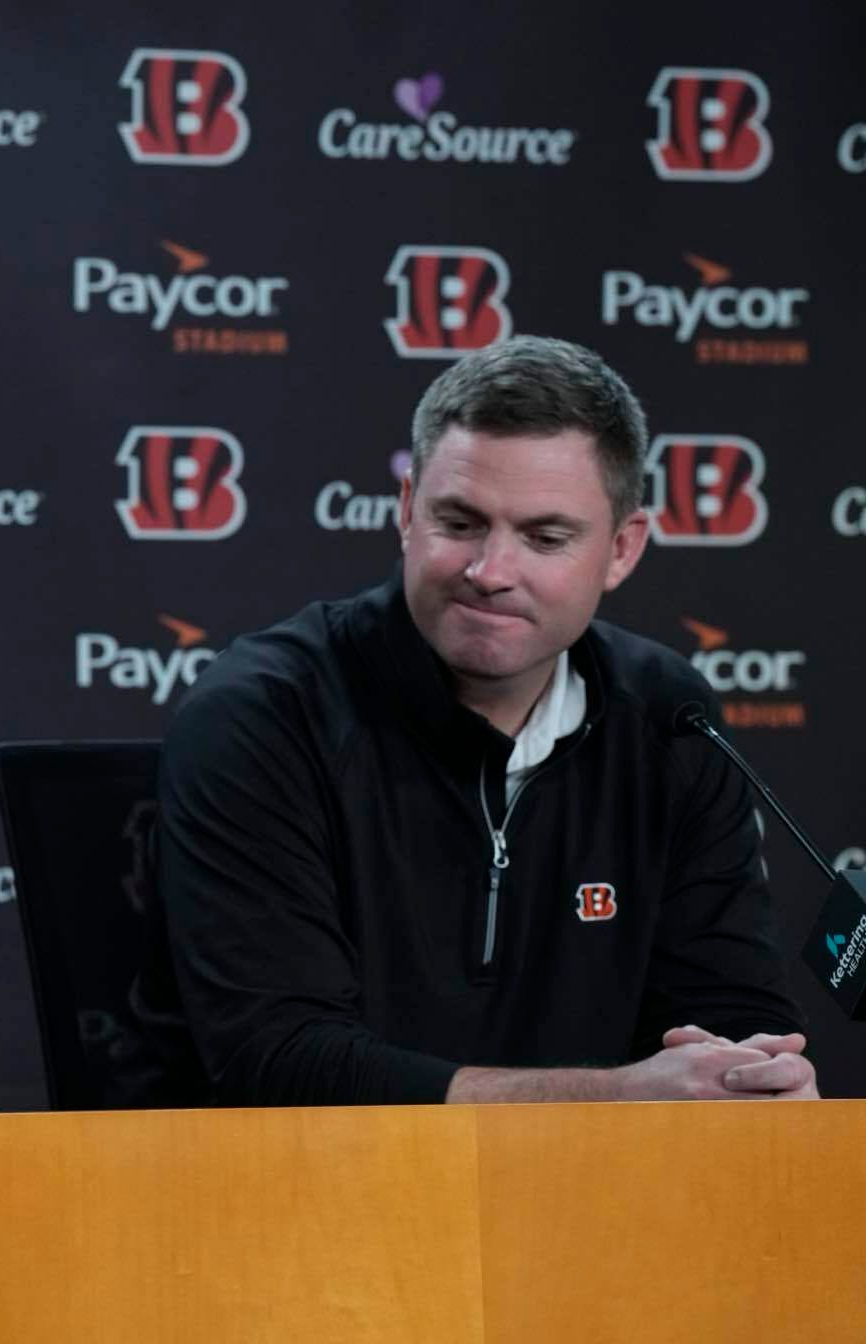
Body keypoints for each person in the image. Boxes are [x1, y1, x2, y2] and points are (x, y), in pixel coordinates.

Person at [132, 335, 815, 1106]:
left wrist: (757, 1078)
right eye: (459, 523)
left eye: (544, 537)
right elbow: (283, 1061)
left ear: (623, 549)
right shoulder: (263, 713)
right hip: (308, 1204)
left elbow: (731, 1012)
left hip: (593, 1208)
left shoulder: (669, 717)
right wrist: (609, 1101)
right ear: (405, 512)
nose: (490, 573)